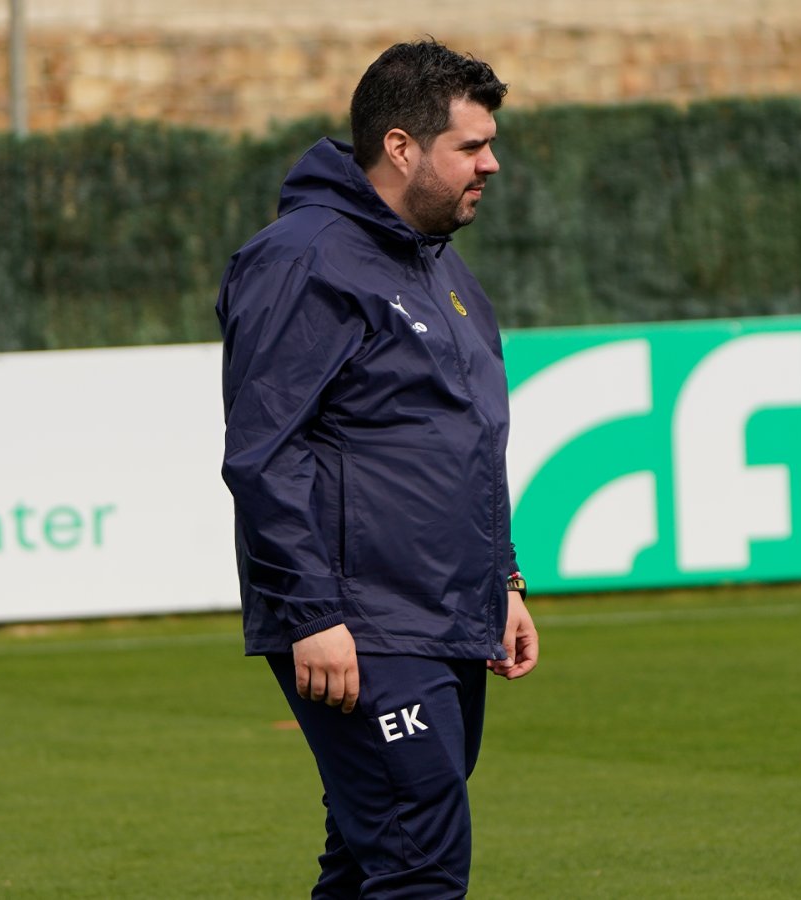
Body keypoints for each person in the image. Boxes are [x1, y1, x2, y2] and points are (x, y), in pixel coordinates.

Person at [215, 38, 539, 898]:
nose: (491, 164)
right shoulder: (303, 259)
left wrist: (502, 580)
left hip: (444, 613)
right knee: (418, 866)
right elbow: (265, 453)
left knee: (372, 861)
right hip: (361, 624)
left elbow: (468, 438)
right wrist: (312, 613)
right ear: (401, 146)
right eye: (471, 146)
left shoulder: (440, 265)